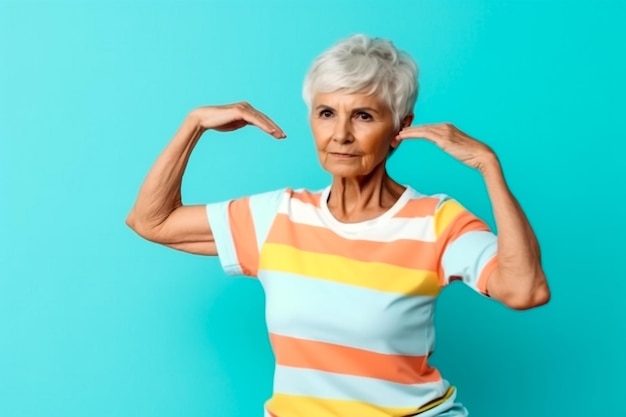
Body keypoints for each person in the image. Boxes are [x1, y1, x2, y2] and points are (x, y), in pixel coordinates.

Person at [126, 34, 550, 417]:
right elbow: (152, 221)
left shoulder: (436, 222)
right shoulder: (278, 217)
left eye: (364, 116)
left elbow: (524, 290)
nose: (341, 134)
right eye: (327, 112)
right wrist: (194, 124)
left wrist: (488, 167)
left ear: (400, 127)